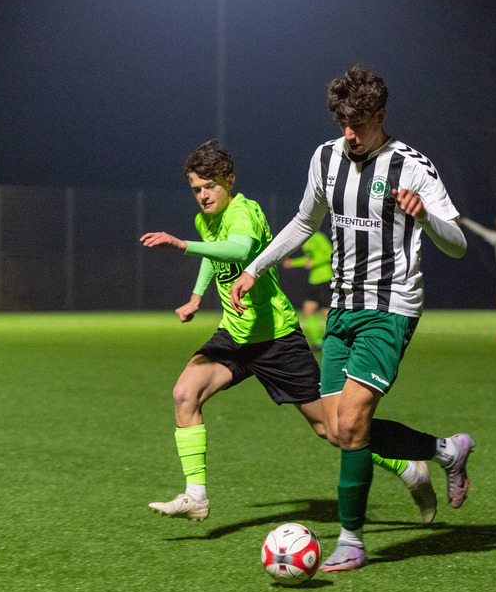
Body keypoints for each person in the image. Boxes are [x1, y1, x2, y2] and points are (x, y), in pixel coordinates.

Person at [230, 66, 474, 572]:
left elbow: (459, 244)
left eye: (358, 123)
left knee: (356, 418)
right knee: (339, 429)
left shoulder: (412, 167)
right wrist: (255, 267)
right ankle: (445, 450)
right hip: (342, 308)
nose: (349, 133)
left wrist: (425, 216)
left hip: (391, 307)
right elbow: (303, 221)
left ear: (380, 116)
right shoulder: (325, 158)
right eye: (342, 122)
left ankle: (351, 541)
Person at [140, 139, 447, 525]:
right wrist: (195, 296)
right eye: (197, 190)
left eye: (210, 187)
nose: (203, 196)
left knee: (332, 429)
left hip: (276, 339)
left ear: (229, 181)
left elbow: (238, 250)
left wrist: (183, 245)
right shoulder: (207, 219)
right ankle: (195, 497)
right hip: (235, 336)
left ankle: (409, 468)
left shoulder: (243, 213)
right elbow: (211, 252)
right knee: (185, 393)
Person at [281, 230, 333, 351]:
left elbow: (330, 254)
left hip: (324, 279)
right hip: (313, 281)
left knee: (327, 313)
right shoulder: (305, 241)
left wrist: (314, 262)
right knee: (308, 310)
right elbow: (308, 260)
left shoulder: (319, 237)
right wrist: (293, 263)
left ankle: (331, 342)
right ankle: (317, 342)